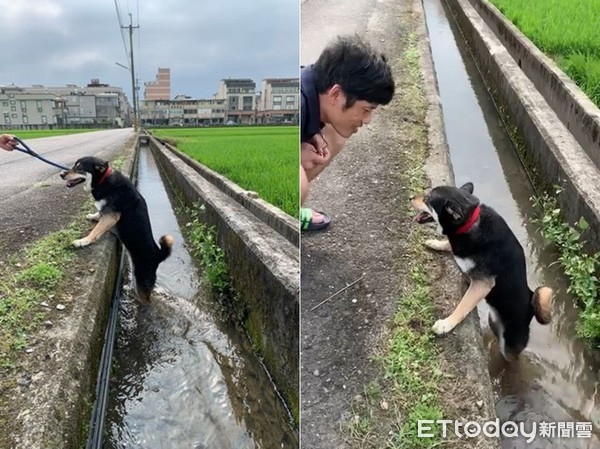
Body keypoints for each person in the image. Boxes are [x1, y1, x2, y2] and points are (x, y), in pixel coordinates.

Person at [300, 35, 395, 231]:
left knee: (335, 135)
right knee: (297, 182)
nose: (367, 120)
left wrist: (311, 132)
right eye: (366, 110)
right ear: (335, 94)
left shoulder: (317, 87)